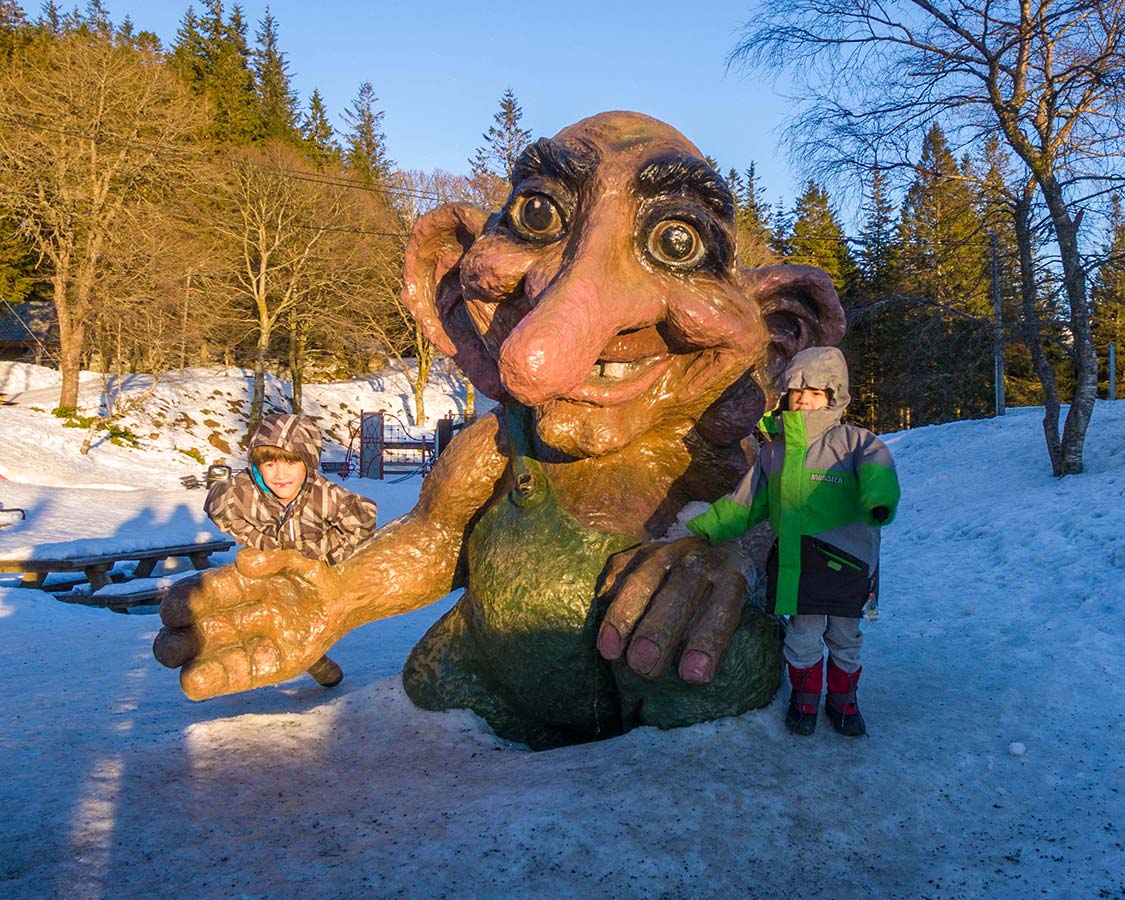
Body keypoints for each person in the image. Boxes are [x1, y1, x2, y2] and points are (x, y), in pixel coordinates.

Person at [686, 346, 900, 737]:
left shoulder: (854, 442)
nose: (804, 400)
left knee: (845, 637)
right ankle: (804, 699)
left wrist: (879, 500)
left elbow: (878, 470)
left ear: (834, 398)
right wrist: (705, 526)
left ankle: (843, 700)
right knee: (802, 637)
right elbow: (746, 503)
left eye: (815, 393)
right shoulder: (774, 453)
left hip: (849, 563)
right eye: (797, 394)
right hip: (798, 564)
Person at [205, 413, 378, 688]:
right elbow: (218, 510)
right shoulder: (241, 493)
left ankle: (315, 660)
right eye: (270, 464)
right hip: (266, 570)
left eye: (291, 463)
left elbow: (363, 521)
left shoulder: (326, 496)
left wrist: (317, 553)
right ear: (257, 465)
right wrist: (262, 541)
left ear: (308, 463)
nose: (280, 474)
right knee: (259, 613)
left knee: (301, 622)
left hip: (312, 572)